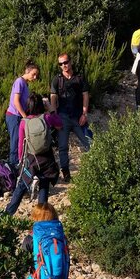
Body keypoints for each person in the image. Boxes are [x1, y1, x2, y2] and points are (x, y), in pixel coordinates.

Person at [5, 93, 62, 216]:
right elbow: (59, 124)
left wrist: (21, 161)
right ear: (42, 105)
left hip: (31, 160)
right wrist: (51, 108)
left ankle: (8, 214)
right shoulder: (46, 118)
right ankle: (41, 217)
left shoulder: (24, 122)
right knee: (44, 185)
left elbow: (21, 144)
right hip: (46, 159)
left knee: (21, 186)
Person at [50, 53, 90, 182]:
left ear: (70, 62)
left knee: (88, 141)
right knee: (62, 146)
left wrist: (84, 113)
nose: (64, 65)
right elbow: (53, 97)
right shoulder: (57, 79)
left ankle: (96, 165)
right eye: (60, 64)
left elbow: (85, 95)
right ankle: (66, 172)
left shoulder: (79, 78)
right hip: (63, 117)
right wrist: (54, 115)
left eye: (65, 62)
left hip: (78, 116)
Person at [6, 60, 39, 166]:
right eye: (33, 74)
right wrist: (25, 117)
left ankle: (19, 166)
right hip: (14, 116)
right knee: (15, 143)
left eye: (36, 75)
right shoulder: (19, 82)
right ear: (27, 71)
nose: (35, 77)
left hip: (18, 117)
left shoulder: (25, 84)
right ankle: (13, 170)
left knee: (20, 142)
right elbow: (16, 101)